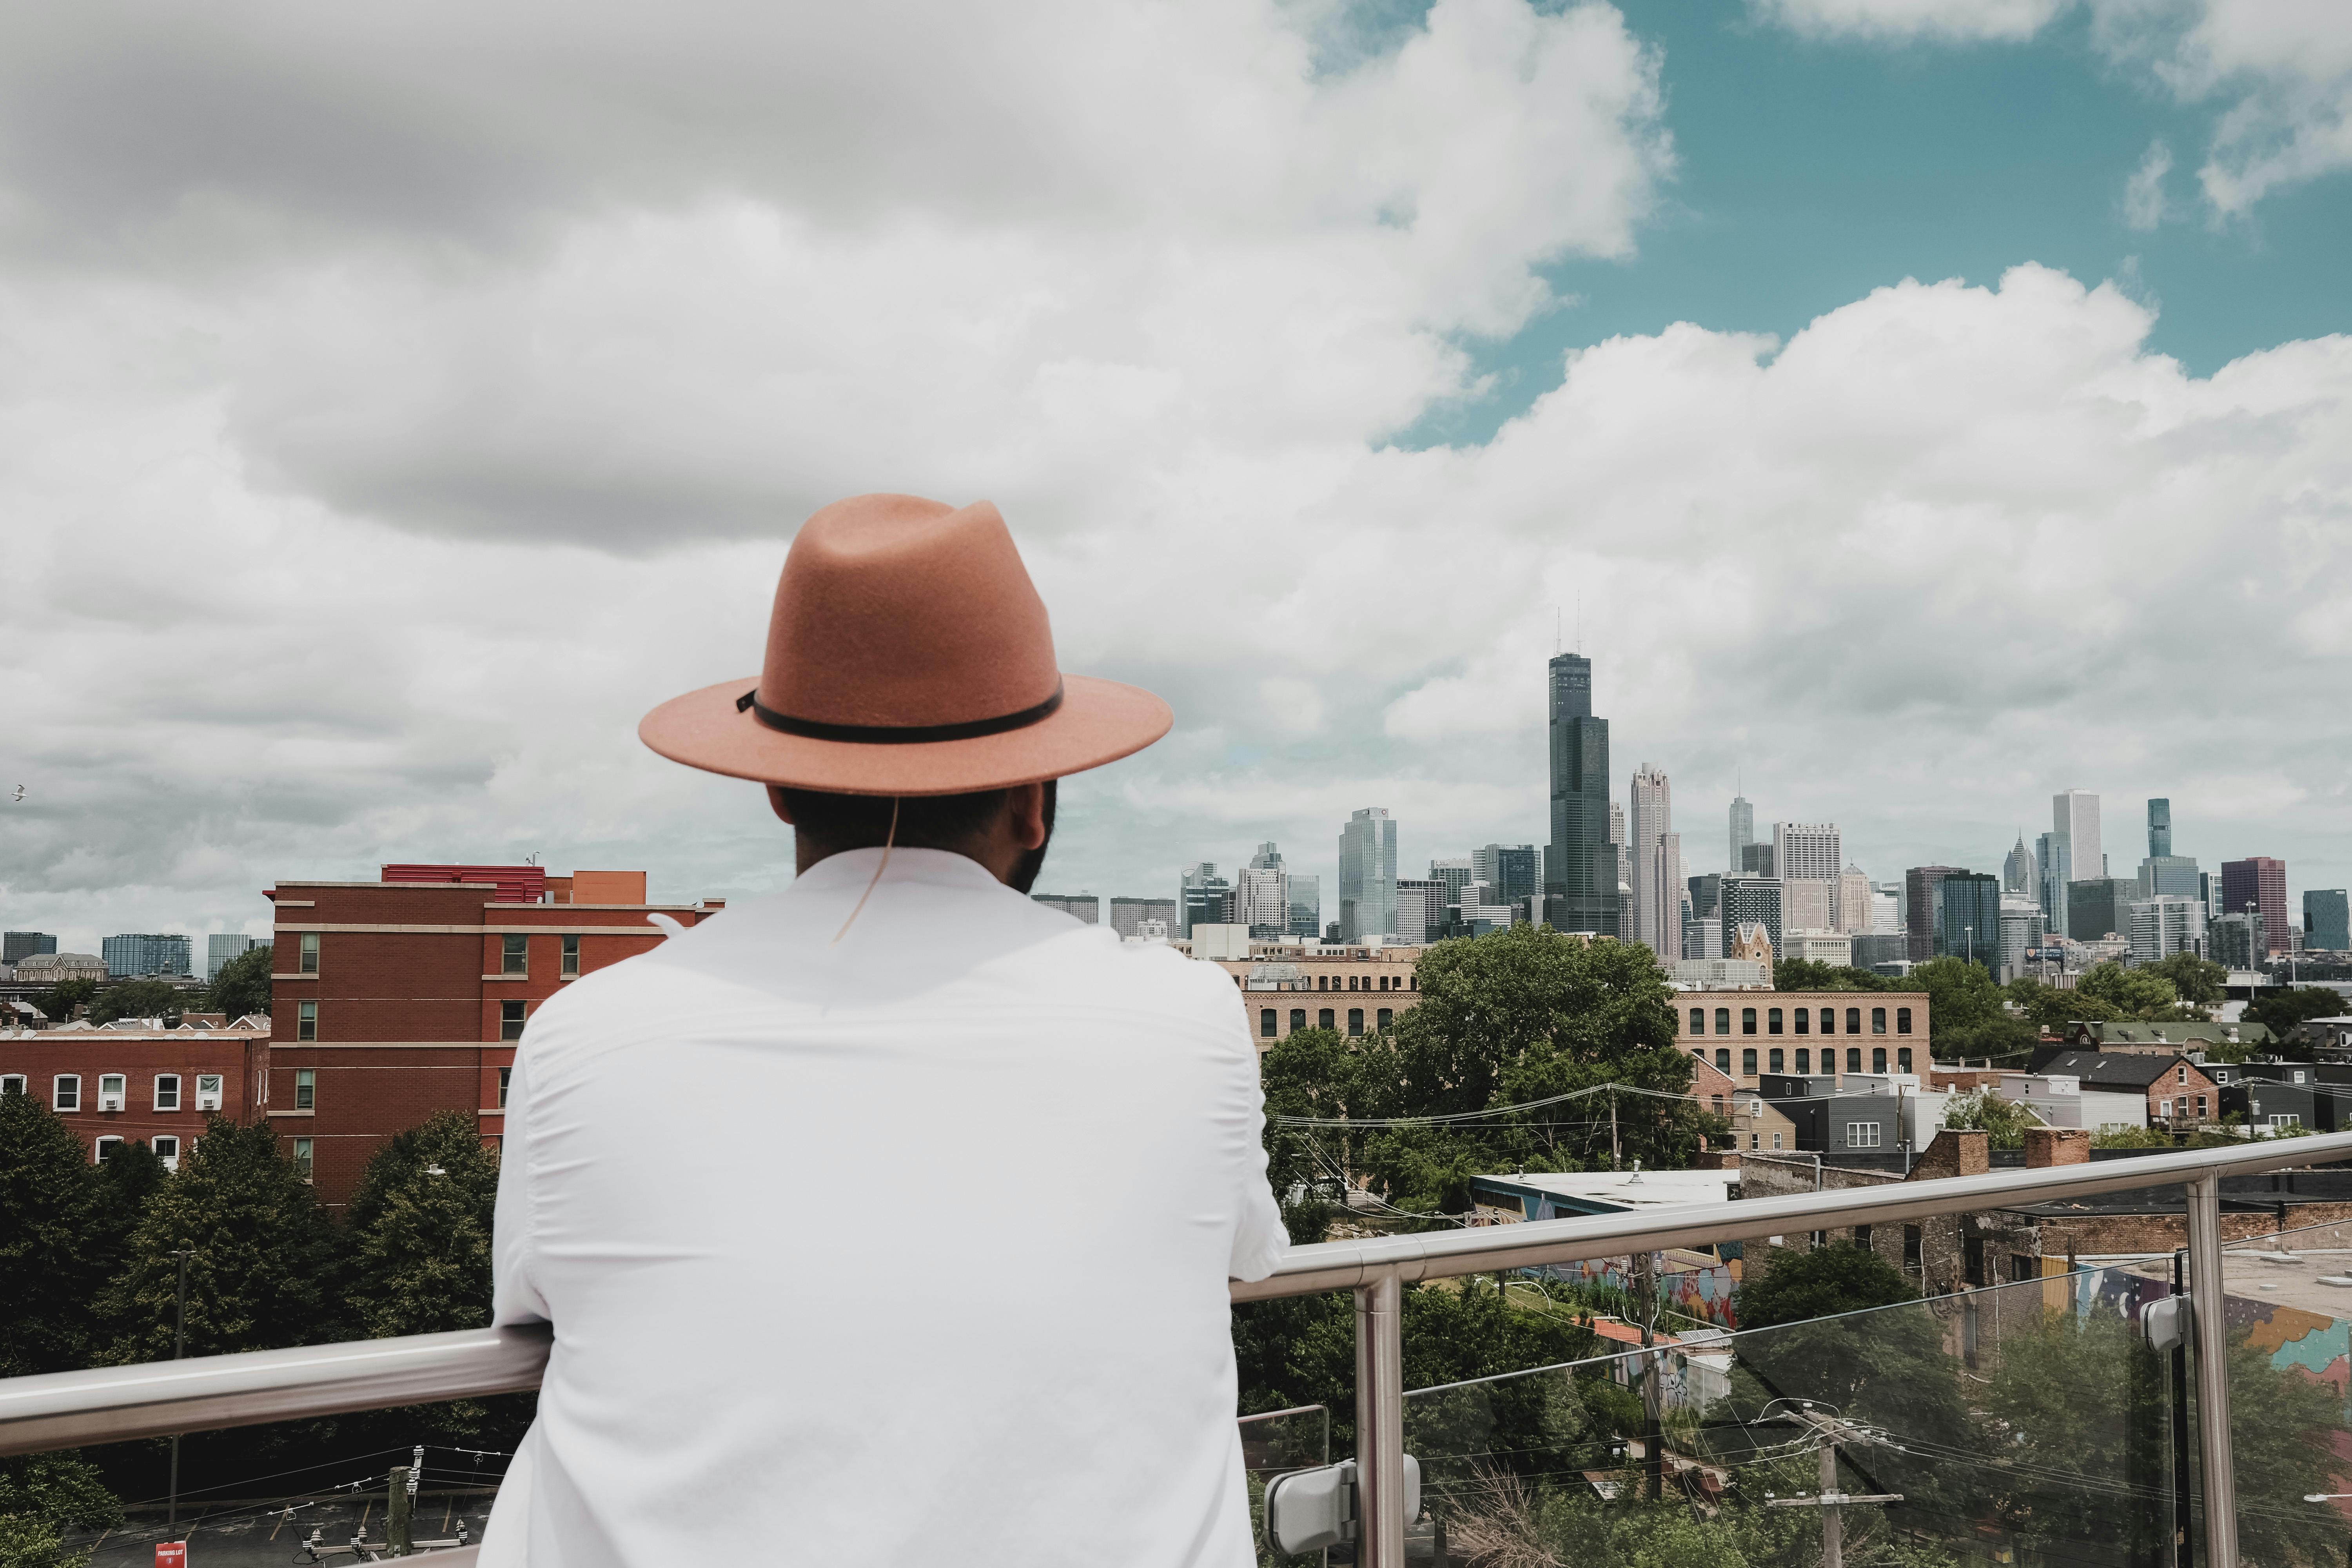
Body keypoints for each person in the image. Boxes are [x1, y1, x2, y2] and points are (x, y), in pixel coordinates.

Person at [482, 494, 1287, 1567]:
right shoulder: (1188, 1020)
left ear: (777, 786)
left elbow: (532, 1304)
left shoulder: (584, 1036)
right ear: (1034, 804)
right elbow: (1248, 1253)